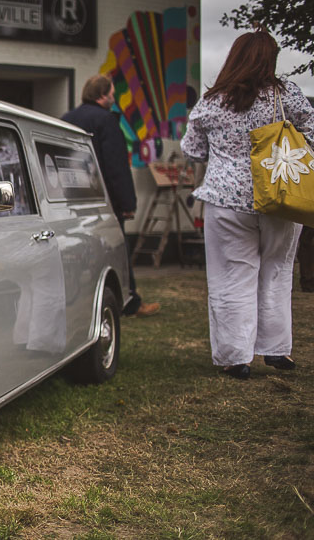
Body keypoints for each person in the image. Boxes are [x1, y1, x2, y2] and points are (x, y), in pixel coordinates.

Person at [181, 29, 314, 379]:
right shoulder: (286, 97)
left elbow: (192, 150)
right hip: (279, 195)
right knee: (277, 271)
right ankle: (275, 350)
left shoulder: (212, 101)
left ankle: (234, 357)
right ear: (270, 59)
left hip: (226, 200)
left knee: (231, 277)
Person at [62, 74, 161, 318]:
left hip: (72, 197)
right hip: (102, 198)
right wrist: (127, 203)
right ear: (102, 95)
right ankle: (130, 301)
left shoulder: (67, 119)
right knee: (117, 248)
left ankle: (83, 298)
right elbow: (116, 164)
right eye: (112, 94)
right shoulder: (106, 120)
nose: (113, 99)